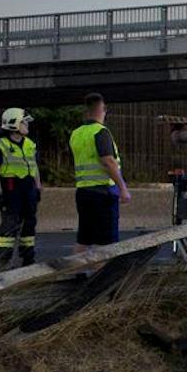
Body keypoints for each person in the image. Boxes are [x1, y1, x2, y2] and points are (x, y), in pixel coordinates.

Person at [69, 92, 130, 252]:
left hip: (83, 190)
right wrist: (122, 188)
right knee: (106, 243)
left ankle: (78, 273)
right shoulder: (100, 132)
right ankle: (104, 276)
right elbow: (108, 161)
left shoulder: (76, 134)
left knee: (84, 238)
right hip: (103, 192)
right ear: (102, 110)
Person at [0, 107, 41, 266]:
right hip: (11, 189)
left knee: (29, 224)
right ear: (14, 124)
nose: (27, 125)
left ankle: (28, 258)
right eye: (24, 122)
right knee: (10, 224)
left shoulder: (30, 144)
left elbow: (34, 166)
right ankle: (3, 261)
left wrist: (38, 187)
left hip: (28, 188)